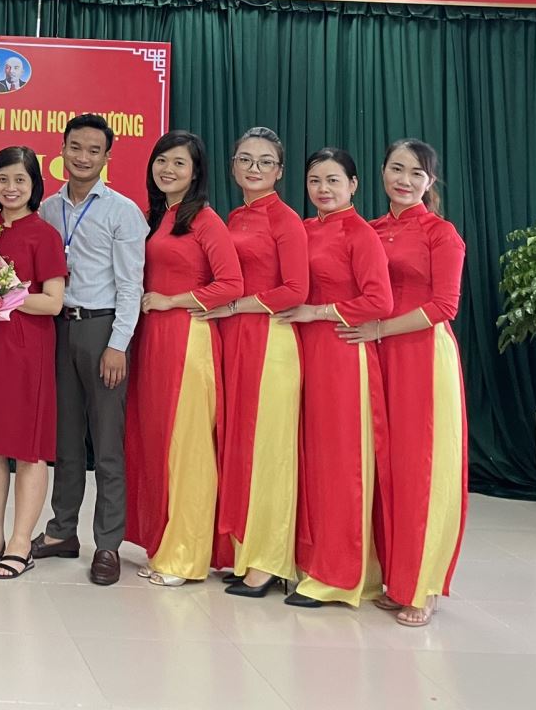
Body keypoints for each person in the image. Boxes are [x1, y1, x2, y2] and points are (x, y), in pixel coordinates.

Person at [354, 139, 467, 627]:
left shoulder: (442, 234)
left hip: (421, 357)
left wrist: (380, 328)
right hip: (374, 355)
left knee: (420, 469)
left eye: (416, 173)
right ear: (382, 171)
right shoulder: (370, 230)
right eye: (397, 169)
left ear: (430, 182)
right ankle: (394, 580)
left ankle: (423, 587)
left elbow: (445, 306)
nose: (404, 180)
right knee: (384, 468)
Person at [33, 115, 146, 586]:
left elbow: (131, 285)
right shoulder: (46, 208)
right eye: (75, 147)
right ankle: (62, 530)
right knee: (64, 440)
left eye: (93, 150)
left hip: (102, 330)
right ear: (61, 149)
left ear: (107, 157)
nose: (82, 157)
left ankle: (108, 544)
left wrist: (118, 344)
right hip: (57, 328)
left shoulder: (123, 211)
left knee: (107, 444)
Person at [126, 131, 243, 588]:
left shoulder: (205, 220)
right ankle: (164, 544)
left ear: (196, 173)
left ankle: (185, 557)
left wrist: (172, 300)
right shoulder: (157, 217)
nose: (168, 169)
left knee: (188, 447)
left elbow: (230, 284)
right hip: (153, 341)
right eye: (162, 161)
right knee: (159, 443)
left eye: (179, 163)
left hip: (188, 340)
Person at [279, 148, 394, 608]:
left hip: (344, 355)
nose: (323, 189)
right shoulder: (305, 229)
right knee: (311, 461)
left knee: (341, 464)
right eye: (314, 181)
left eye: (333, 180)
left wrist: (318, 312)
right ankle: (311, 563)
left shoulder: (360, 234)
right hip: (305, 353)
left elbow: (380, 301)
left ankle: (341, 576)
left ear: (353, 185)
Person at [200, 127, 309, 597]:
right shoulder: (234, 217)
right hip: (235, 341)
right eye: (245, 159)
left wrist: (234, 306)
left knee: (268, 448)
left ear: (280, 171)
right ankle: (244, 552)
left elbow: (296, 290)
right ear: (232, 166)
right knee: (239, 445)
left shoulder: (286, 220)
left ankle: (268, 560)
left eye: (265, 161)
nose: (254, 168)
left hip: (271, 342)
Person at [0, 146, 67, 580]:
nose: (11, 187)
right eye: (3, 179)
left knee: (28, 449)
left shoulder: (45, 235)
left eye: (20, 179)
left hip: (26, 351)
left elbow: (53, 302)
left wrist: (6, 293)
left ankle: (21, 542)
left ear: (34, 185)